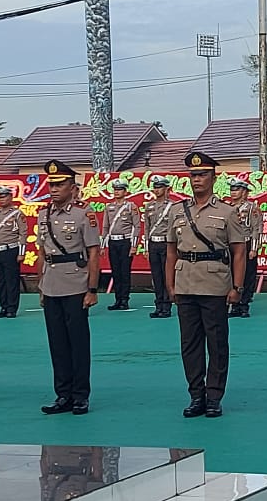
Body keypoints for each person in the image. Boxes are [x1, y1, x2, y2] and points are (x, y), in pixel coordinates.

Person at [168, 152, 247, 418]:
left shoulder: (227, 212)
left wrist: (237, 286)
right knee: (189, 344)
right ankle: (196, 395)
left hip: (215, 284)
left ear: (214, 178)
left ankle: (214, 396)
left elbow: (238, 251)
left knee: (216, 342)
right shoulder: (178, 211)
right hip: (185, 283)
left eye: (202, 175)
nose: (197, 179)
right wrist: (170, 285)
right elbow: (170, 252)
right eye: (193, 175)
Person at [36, 160, 100, 415]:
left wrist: (92, 289)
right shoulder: (44, 214)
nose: (54, 189)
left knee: (78, 342)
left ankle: (80, 395)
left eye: (60, 184)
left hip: (75, 282)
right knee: (57, 342)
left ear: (72, 188)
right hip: (51, 282)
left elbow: (93, 253)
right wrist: (40, 286)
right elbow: (42, 251)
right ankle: (62, 394)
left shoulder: (84, 214)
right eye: (51, 184)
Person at [0, 185, 25, 318]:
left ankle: (12, 308)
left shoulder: (17, 213)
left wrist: (21, 253)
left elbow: (23, 234)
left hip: (11, 250)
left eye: (4, 196)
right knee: (1, 281)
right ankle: (3, 306)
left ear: (11, 197)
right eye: (0, 196)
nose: (1, 199)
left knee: (11, 281)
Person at [101, 181, 138, 311]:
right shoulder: (109, 207)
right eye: (115, 189)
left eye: (120, 189)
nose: (117, 192)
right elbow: (105, 226)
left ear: (125, 191)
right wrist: (102, 245)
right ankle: (117, 299)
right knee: (115, 271)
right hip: (113, 242)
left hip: (125, 241)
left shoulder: (130, 207)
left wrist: (134, 246)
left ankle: (124, 299)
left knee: (124, 271)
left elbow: (136, 226)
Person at [228, 179, 261, 317]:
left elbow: (256, 229)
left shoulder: (252, 207)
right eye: (232, 190)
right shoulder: (227, 207)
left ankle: (244, 304)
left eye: (237, 190)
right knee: (231, 275)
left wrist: (254, 248)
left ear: (244, 192)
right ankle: (234, 305)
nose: (233, 193)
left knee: (248, 275)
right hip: (231, 244)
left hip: (246, 243)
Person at [143, 176, 175, 319]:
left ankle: (166, 306)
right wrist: (146, 248)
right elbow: (147, 228)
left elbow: (174, 228)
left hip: (166, 243)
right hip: (153, 243)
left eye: (159, 187)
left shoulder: (172, 206)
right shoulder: (149, 206)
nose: (156, 190)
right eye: (155, 187)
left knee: (166, 275)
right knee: (156, 276)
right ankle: (158, 305)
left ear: (166, 189)